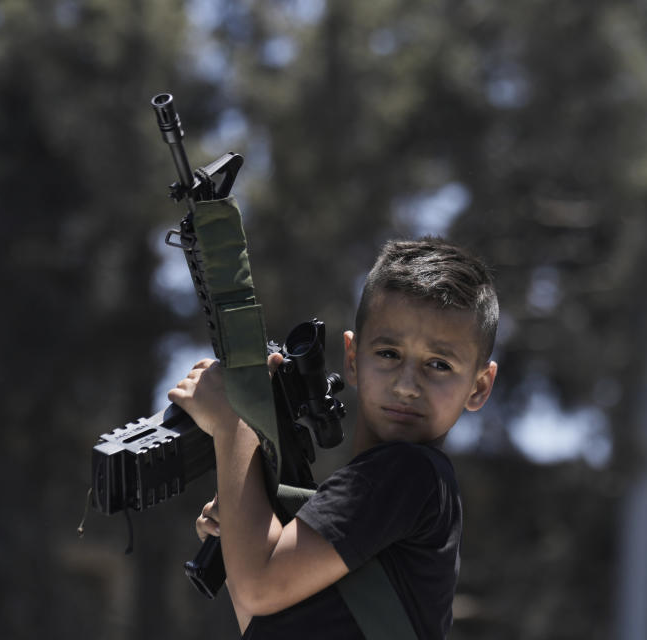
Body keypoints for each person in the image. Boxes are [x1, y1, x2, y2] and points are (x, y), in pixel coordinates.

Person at [169, 237, 499, 639]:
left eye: (438, 364)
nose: (407, 385)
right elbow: (263, 619)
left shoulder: (408, 473)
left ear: (480, 386)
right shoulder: (385, 495)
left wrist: (231, 422)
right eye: (389, 354)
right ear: (353, 359)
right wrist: (247, 523)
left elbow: (257, 588)